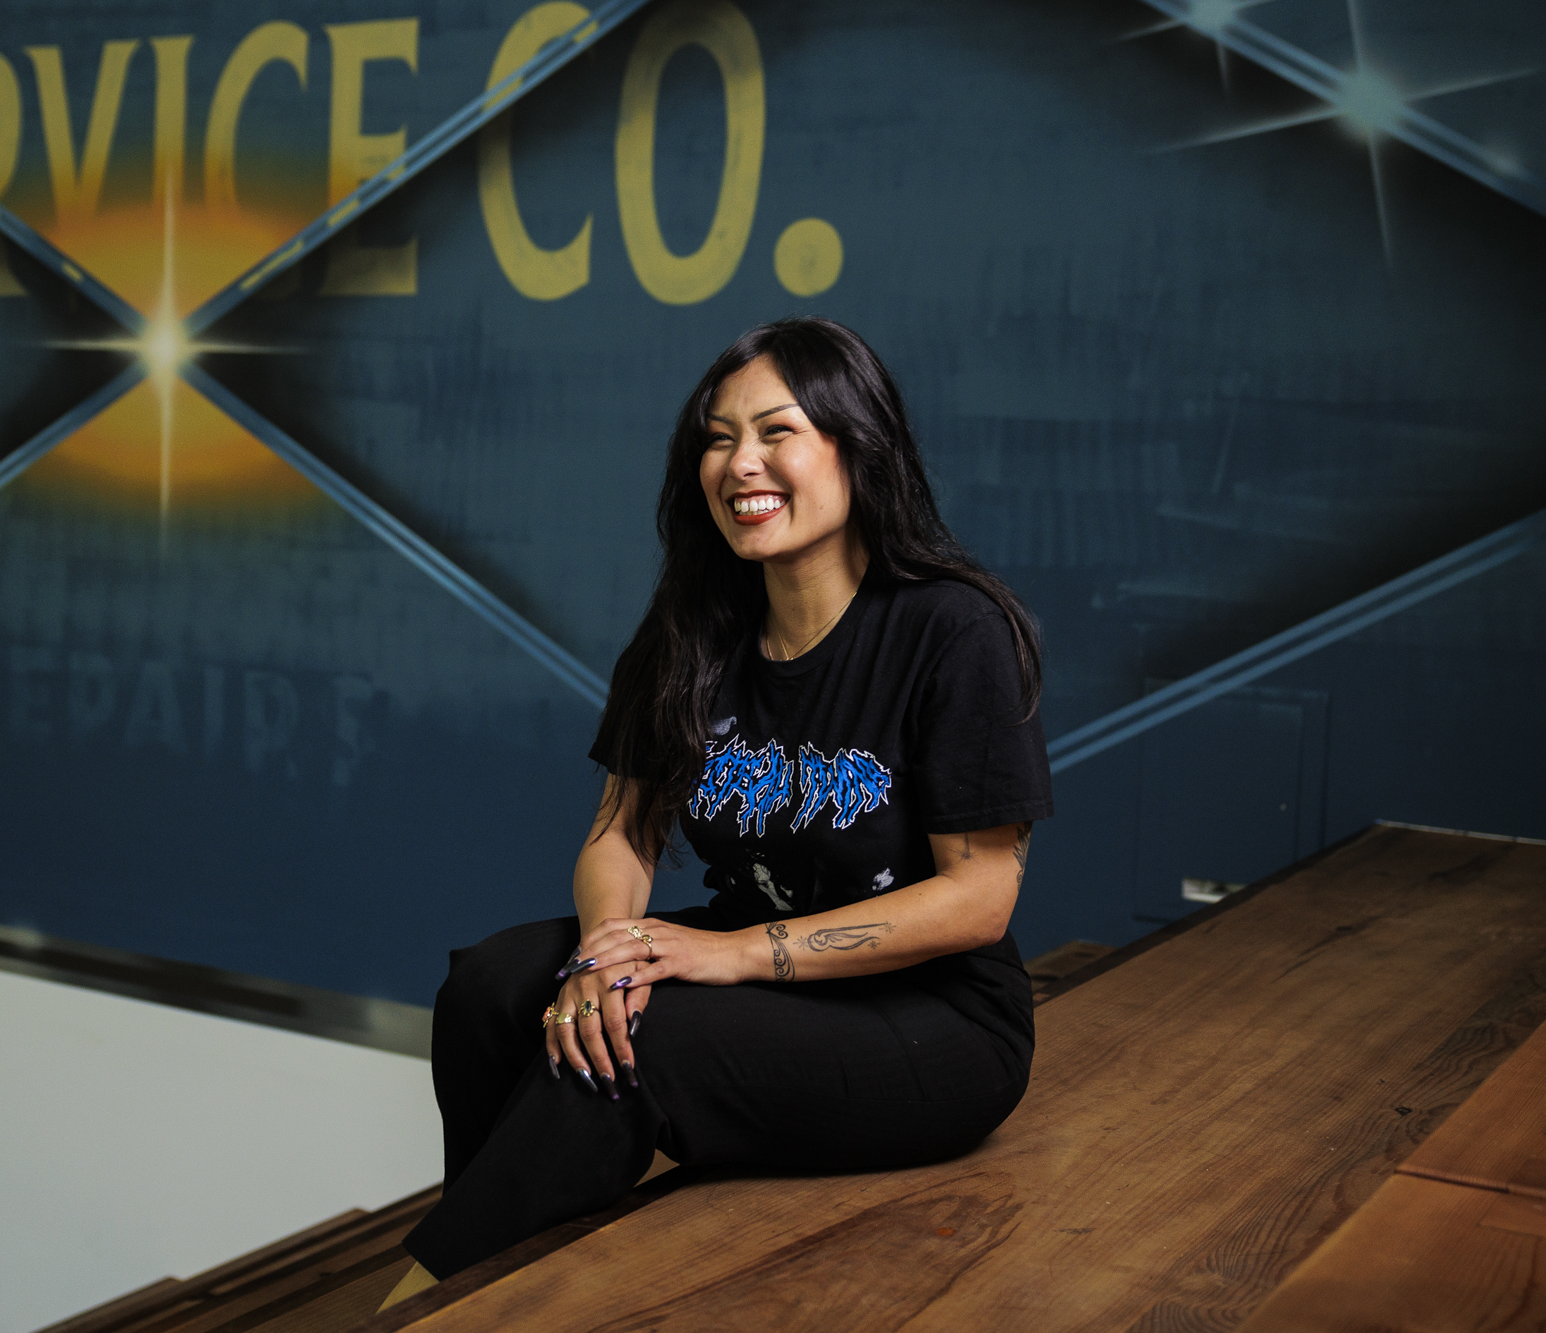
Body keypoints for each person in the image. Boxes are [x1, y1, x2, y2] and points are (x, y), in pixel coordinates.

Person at [382, 316, 1053, 1307]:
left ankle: (420, 1306)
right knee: (492, 986)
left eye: (776, 431)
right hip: (760, 971)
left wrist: (733, 954)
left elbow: (979, 898)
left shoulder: (950, 629)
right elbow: (621, 832)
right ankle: (491, 1271)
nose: (740, 462)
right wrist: (607, 953)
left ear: (855, 443)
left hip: (933, 1018)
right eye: (716, 435)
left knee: (635, 1048)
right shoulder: (691, 632)